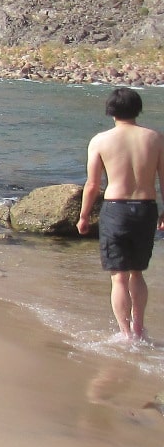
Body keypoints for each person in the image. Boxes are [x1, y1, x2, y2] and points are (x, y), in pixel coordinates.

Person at [76, 87, 164, 341]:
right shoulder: (156, 138)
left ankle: (126, 334)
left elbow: (92, 185)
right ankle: (139, 327)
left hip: (116, 209)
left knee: (119, 277)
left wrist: (83, 216)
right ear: (138, 109)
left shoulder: (101, 141)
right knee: (137, 272)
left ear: (110, 111)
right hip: (146, 208)